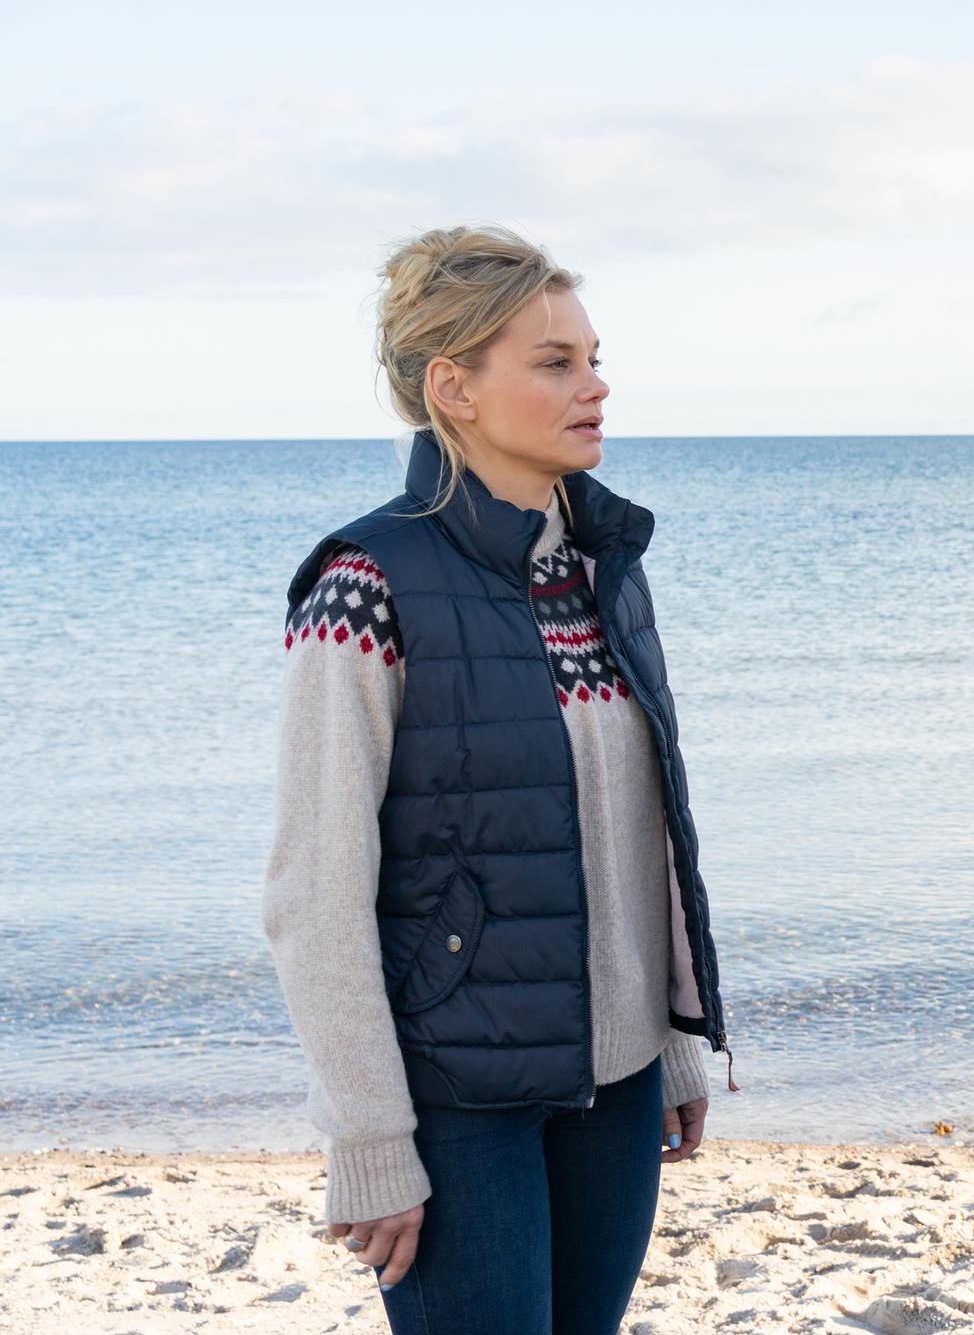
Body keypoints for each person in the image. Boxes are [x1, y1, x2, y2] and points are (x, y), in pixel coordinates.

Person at [262, 225, 730, 1334]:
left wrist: (668, 1040)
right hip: (455, 1100)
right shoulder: (367, 582)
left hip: (612, 1090)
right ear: (453, 387)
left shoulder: (603, 569)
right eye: (555, 362)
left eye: (594, 357)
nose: (597, 386)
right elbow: (315, 890)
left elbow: (636, 831)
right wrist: (369, 1140)